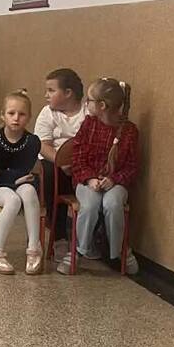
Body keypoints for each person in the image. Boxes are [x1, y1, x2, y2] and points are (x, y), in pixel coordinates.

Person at [59, 77, 140, 275]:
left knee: (113, 204)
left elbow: (132, 167)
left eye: (89, 100)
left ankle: (120, 250)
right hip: (88, 181)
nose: (86, 104)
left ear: (102, 106)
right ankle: (78, 250)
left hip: (115, 183)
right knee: (90, 205)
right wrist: (90, 178)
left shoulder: (129, 131)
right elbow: (78, 158)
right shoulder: (88, 125)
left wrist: (114, 180)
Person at [0, 90, 43, 275]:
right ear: (3, 115)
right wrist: (3, 175)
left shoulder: (32, 141)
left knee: (29, 191)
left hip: (20, 184)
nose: (16, 118)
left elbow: (23, 170)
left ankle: (34, 248)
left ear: (29, 117)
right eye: (11, 113)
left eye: (22, 114)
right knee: (13, 200)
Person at [36, 67, 86, 249]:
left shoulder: (88, 113)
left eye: (51, 90)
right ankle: (58, 235)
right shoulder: (48, 113)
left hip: (81, 164)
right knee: (50, 174)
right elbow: (43, 144)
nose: (46, 95)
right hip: (55, 162)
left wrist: (76, 164)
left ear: (68, 93)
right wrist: (62, 161)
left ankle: (90, 237)